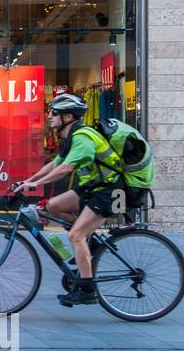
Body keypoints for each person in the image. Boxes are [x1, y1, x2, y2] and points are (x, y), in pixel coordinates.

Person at [13, 92, 127, 307]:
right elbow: (54, 164)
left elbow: (66, 169)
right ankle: (87, 241)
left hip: (108, 191)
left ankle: (87, 289)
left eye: (54, 113)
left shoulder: (83, 138)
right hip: (92, 188)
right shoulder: (71, 137)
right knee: (53, 205)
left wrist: (36, 185)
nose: (49, 117)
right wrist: (28, 180)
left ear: (68, 117)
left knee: (76, 235)